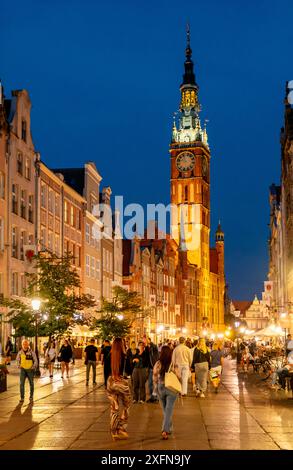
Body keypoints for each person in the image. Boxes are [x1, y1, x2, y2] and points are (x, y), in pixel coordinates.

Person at [153, 345, 180, 440]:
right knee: (168, 410)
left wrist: (155, 388)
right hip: (171, 388)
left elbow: (155, 375)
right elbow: (179, 375)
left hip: (160, 387)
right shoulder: (173, 364)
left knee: (165, 410)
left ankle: (169, 427)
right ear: (170, 353)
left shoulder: (158, 363)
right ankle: (165, 429)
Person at [107, 337, 131, 440]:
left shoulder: (109, 356)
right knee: (127, 405)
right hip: (121, 383)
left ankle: (113, 431)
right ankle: (121, 426)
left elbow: (105, 373)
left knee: (114, 407)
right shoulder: (125, 356)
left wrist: (107, 386)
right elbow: (129, 370)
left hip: (111, 382)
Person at [16, 339, 38, 404]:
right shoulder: (20, 352)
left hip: (30, 370)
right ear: (22, 345)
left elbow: (35, 360)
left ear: (28, 345)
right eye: (24, 344)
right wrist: (19, 365)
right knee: (21, 384)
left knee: (31, 383)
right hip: (22, 369)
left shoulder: (32, 352)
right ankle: (22, 398)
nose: (25, 345)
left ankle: (31, 396)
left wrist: (33, 367)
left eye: (26, 344)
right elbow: (17, 360)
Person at [146, 337, 159, 403]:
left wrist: (149, 343)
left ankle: (156, 397)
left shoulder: (153, 347)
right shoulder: (146, 348)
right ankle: (152, 397)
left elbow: (155, 353)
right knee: (150, 383)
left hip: (155, 367)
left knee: (155, 383)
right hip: (150, 368)